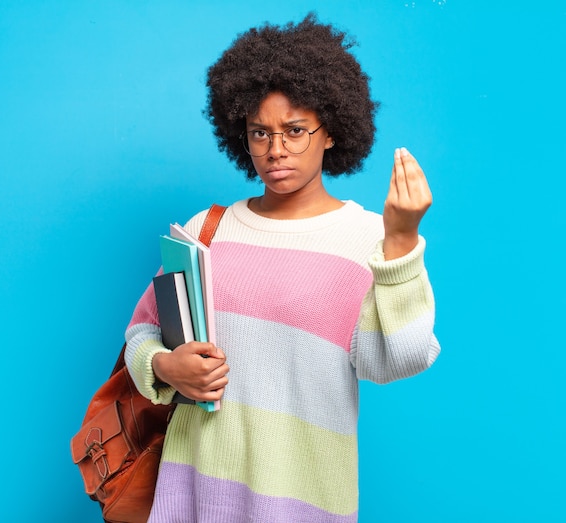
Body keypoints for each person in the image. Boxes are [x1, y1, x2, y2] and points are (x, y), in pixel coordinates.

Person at [125, 14, 440, 523]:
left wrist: (401, 240)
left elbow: (398, 359)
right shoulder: (208, 228)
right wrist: (165, 368)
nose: (275, 150)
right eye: (259, 133)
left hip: (301, 504)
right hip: (191, 497)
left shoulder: (366, 241)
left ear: (331, 132)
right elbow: (142, 331)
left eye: (294, 131)